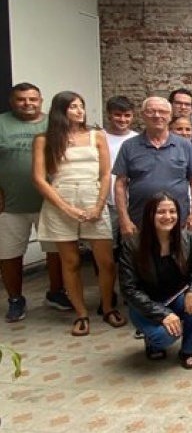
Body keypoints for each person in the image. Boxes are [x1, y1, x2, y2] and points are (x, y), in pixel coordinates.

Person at [33, 91, 126, 336]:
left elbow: (105, 174)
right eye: (73, 106)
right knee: (71, 262)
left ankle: (108, 307)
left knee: (106, 262)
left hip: (93, 197)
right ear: (60, 110)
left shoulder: (96, 135)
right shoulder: (44, 139)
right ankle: (81, 313)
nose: (79, 111)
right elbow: (39, 179)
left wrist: (98, 206)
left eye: (81, 106)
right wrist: (67, 208)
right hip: (60, 200)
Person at [0, 82, 70, 321]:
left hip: (50, 202)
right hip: (10, 204)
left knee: (56, 251)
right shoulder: (2, 123)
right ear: (12, 101)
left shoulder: (54, 124)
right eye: (21, 99)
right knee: (9, 253)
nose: (27, 103)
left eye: (32, 99)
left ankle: (56, 293)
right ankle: (15, 299)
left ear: (41, 101)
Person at [118, 193, 192, 368]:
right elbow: (128, 289)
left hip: (177, 297)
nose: (168, 216)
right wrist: (163, 314)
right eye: (161, 212)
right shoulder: (132, 245)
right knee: (164, 337)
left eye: (172, 211)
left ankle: (188, 349)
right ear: (150, 215)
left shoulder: (189, 239)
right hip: (145, 305)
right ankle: (152, 341)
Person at [114, 97, 192, 236]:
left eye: (162, 112)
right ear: (142, 115)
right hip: (139, 221)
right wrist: (124, 219)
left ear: (170, 116)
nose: (157, 115)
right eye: (151, 111)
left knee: (179, 250)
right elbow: (120, 184)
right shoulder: (129, 146)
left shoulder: (184, 145)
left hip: (177, 221)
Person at [104, 96, 139, 252]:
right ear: (109, 115)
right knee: (107, 246)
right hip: (106, 201)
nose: (123, 119)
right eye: (118, 115)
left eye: (127, 115)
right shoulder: (99, 137)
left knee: (131, 245)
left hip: (131, 202)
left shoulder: (137, 139)